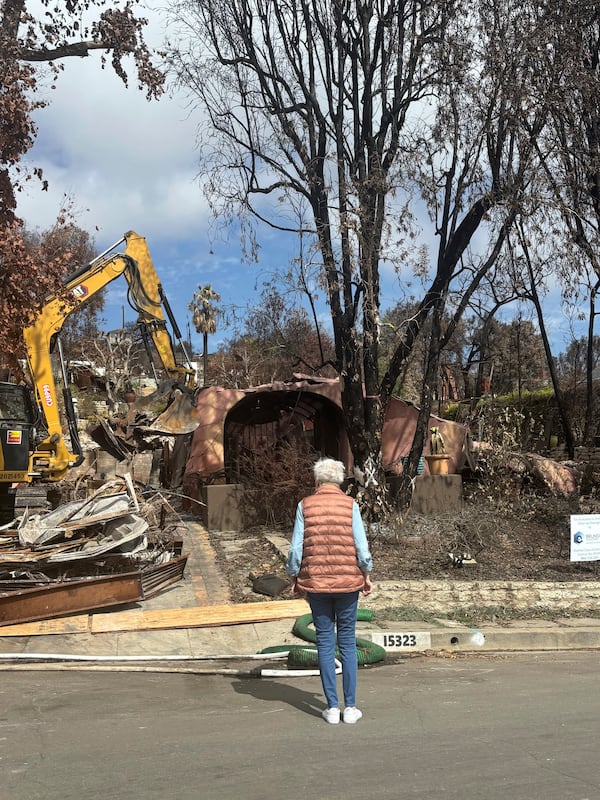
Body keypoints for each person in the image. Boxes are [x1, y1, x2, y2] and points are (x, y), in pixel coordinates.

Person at [286, 457, 373, 725]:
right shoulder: (350, 505)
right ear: (340, 481)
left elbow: (295, 549)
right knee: (347, 642)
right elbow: (362, 547)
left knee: (325, 641)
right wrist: (366, 574)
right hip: (348, 583)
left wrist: (293, 576)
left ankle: (332, 708)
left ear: (317, 481)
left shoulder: (305, 505)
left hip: (317, 584)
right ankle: (351, 707)